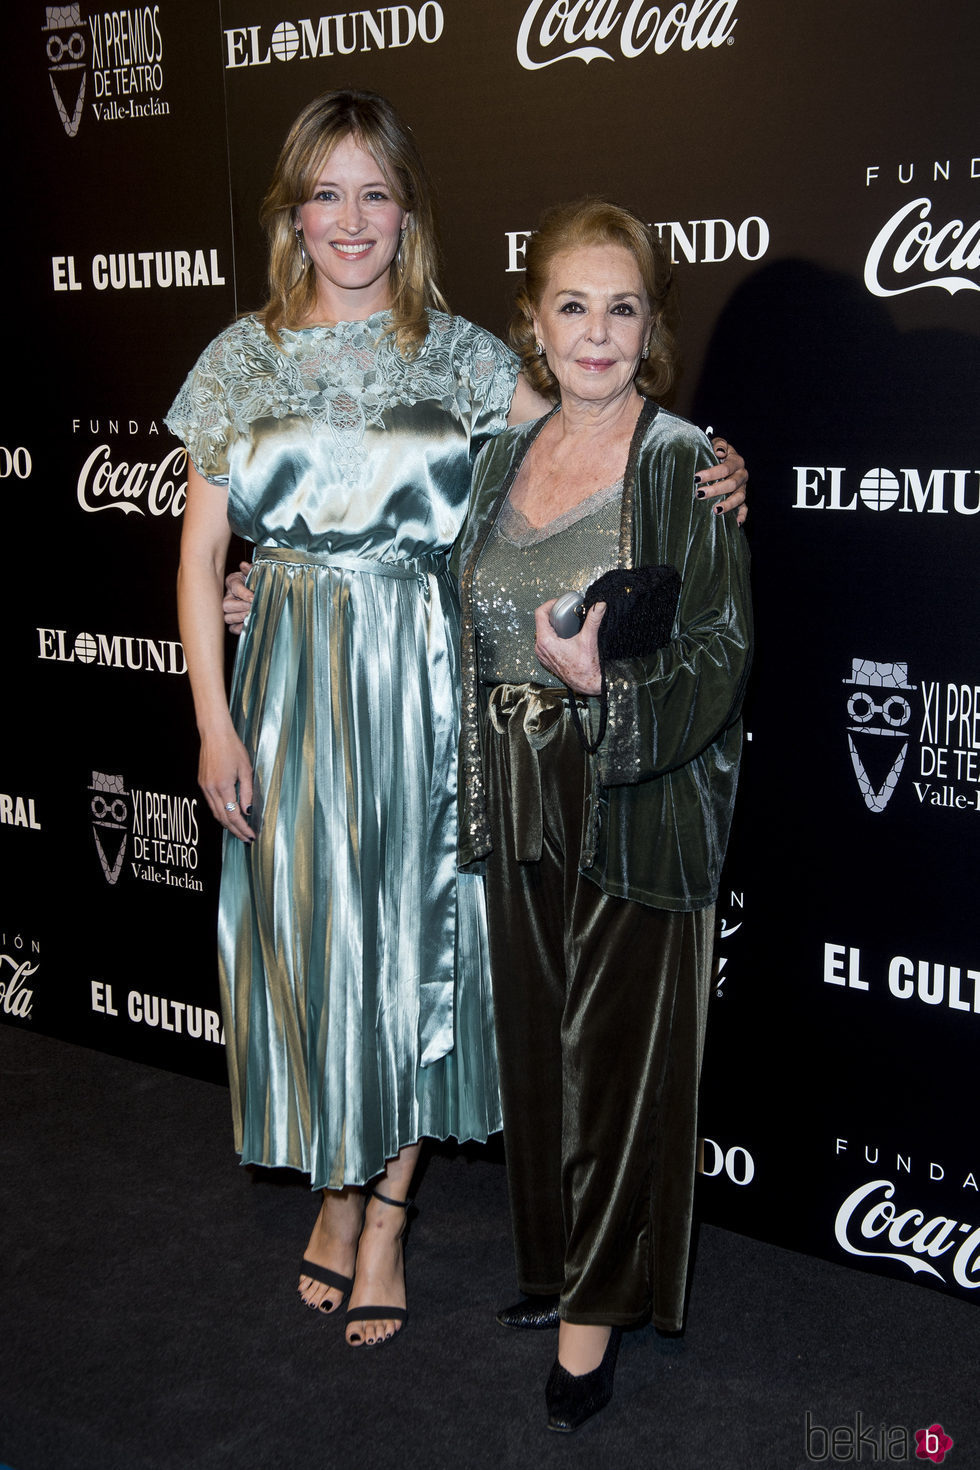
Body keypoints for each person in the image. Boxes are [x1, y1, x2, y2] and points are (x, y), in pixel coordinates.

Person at [174, 90, 747, 1353]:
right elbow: (202, 548)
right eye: (324, 192)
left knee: (416, 951)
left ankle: (385, 1213)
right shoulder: (238, 356)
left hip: (430, 686)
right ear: (292, 213)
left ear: (408, 210)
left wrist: (710, 467)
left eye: (374, 191)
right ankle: (331, 1183)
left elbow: (600, 428)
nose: (350, 219)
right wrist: (215, 723)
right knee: (308, 949)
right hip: (289, 689)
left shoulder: (467, 359)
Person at [455, 199, 752, 1429]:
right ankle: (554, 1261)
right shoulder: (493, 456)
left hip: (631, 791)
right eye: (570, 305)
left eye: (619, 306)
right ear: (533, 320)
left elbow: (725, 649)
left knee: (619, 1059)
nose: (595, 331)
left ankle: (596, 1311)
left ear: (649, 326)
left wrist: (608, 689)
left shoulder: (685, 462)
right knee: (538, 1045)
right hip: (513, 787)